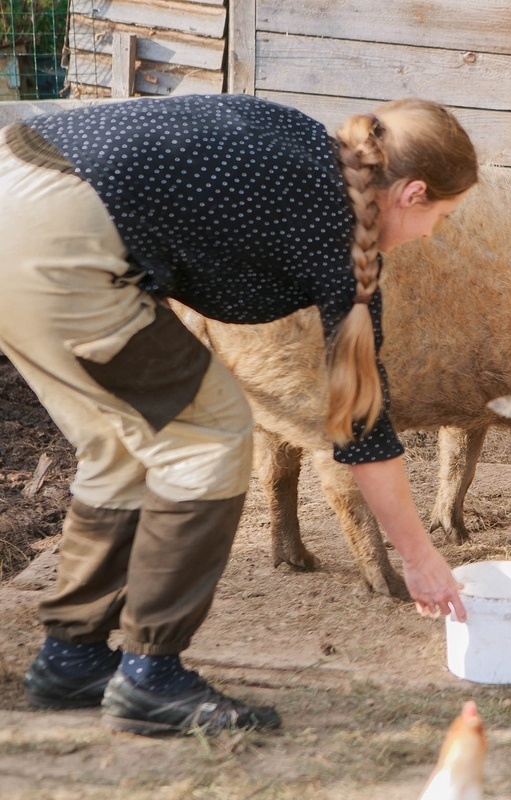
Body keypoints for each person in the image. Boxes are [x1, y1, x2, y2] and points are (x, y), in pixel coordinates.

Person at [0, 93, 477, 736]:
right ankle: (152, 679)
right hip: (63, 236)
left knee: (124, 442)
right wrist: (419, 559)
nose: (432, 234)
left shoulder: (306, 144)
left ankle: (72, 659)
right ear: (412, 194)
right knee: (210, 432)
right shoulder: (333, 228)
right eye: (441, 216)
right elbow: (361, 423)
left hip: (19, 189)